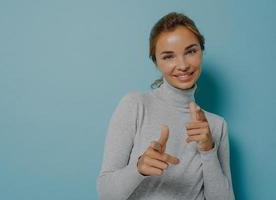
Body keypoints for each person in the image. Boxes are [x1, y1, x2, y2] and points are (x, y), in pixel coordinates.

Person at [96, 12, 235, 200]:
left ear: (201, 51)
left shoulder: (216, 126)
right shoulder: (135, 105)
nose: (183, 65)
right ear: (156, 62)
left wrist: (208, 150)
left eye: (191, 51)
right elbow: (105, 194)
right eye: (169, 56)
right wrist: (138, 169)